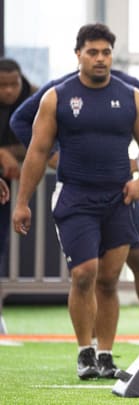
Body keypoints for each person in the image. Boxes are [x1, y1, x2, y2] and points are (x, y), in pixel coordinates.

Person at [12, 23, 139, 379]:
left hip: (118, 199)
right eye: (92, 52)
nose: (100, 58)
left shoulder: (131, 96)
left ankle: (105, 355)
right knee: (84, 274)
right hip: (75, 196)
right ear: (78, 54)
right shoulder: (57, 97)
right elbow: (37, 151)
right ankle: (84, 351)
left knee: (109, 279)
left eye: (105, 52)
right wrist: (22, 202)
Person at [0, 58, 36, 274]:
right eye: (3, 86)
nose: (9, 91)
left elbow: (40, 142)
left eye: (14, 84)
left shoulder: (35, 99)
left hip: (16, 182)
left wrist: (7, 153)